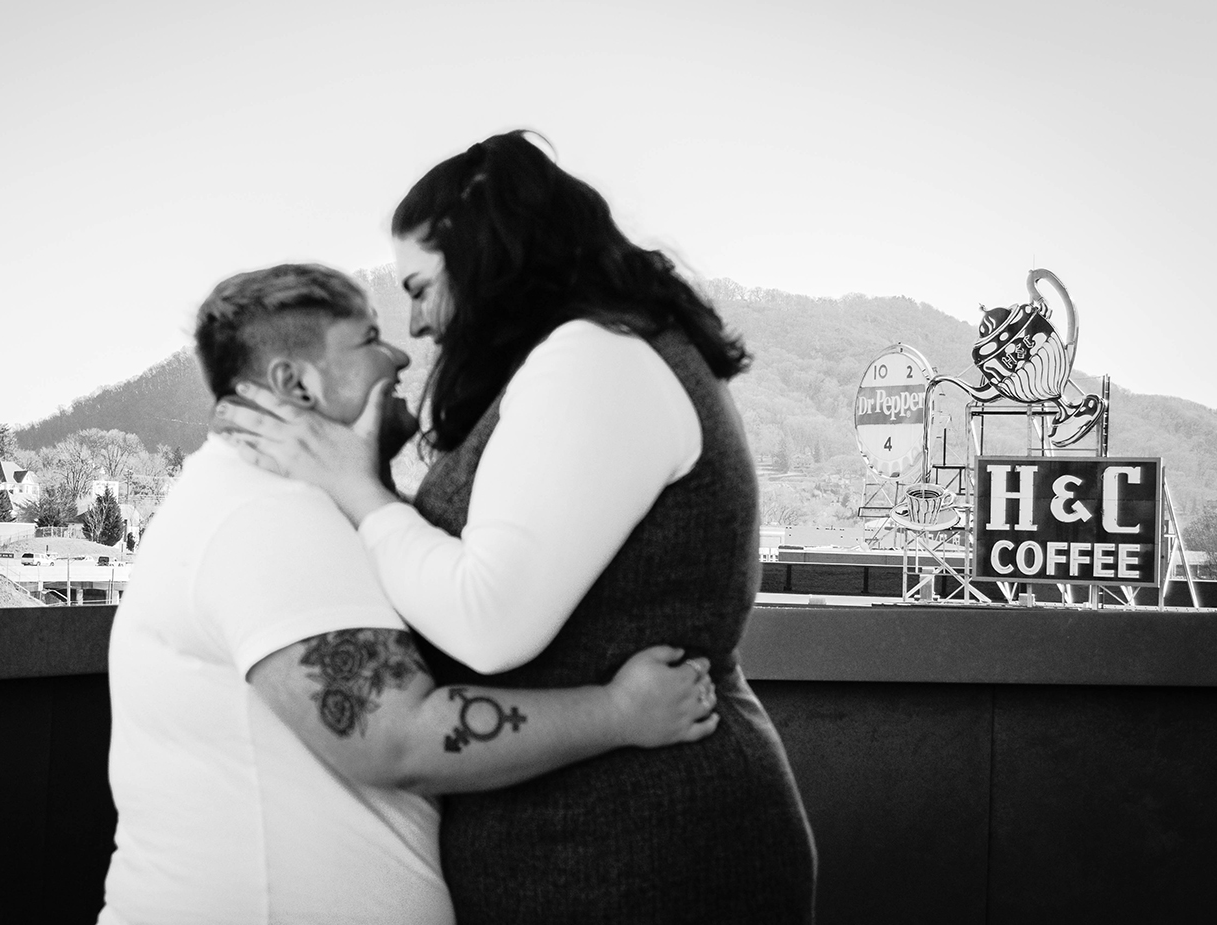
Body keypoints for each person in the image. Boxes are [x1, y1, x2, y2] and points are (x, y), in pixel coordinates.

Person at [217, 133, 818, 923]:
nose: (417, 323)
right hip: (598, 854)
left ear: (485, 256)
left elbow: (489, 619)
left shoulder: (596, 359)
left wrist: (356, 489)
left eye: (422, 285)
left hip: (647, 857)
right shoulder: (587, 356)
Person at [99, 263, 720, 925]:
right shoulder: (266, 514)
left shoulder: (282, 499)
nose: (397, 353)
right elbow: (395, 736)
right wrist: (621, 712)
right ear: (296, 382)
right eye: (368, 339)